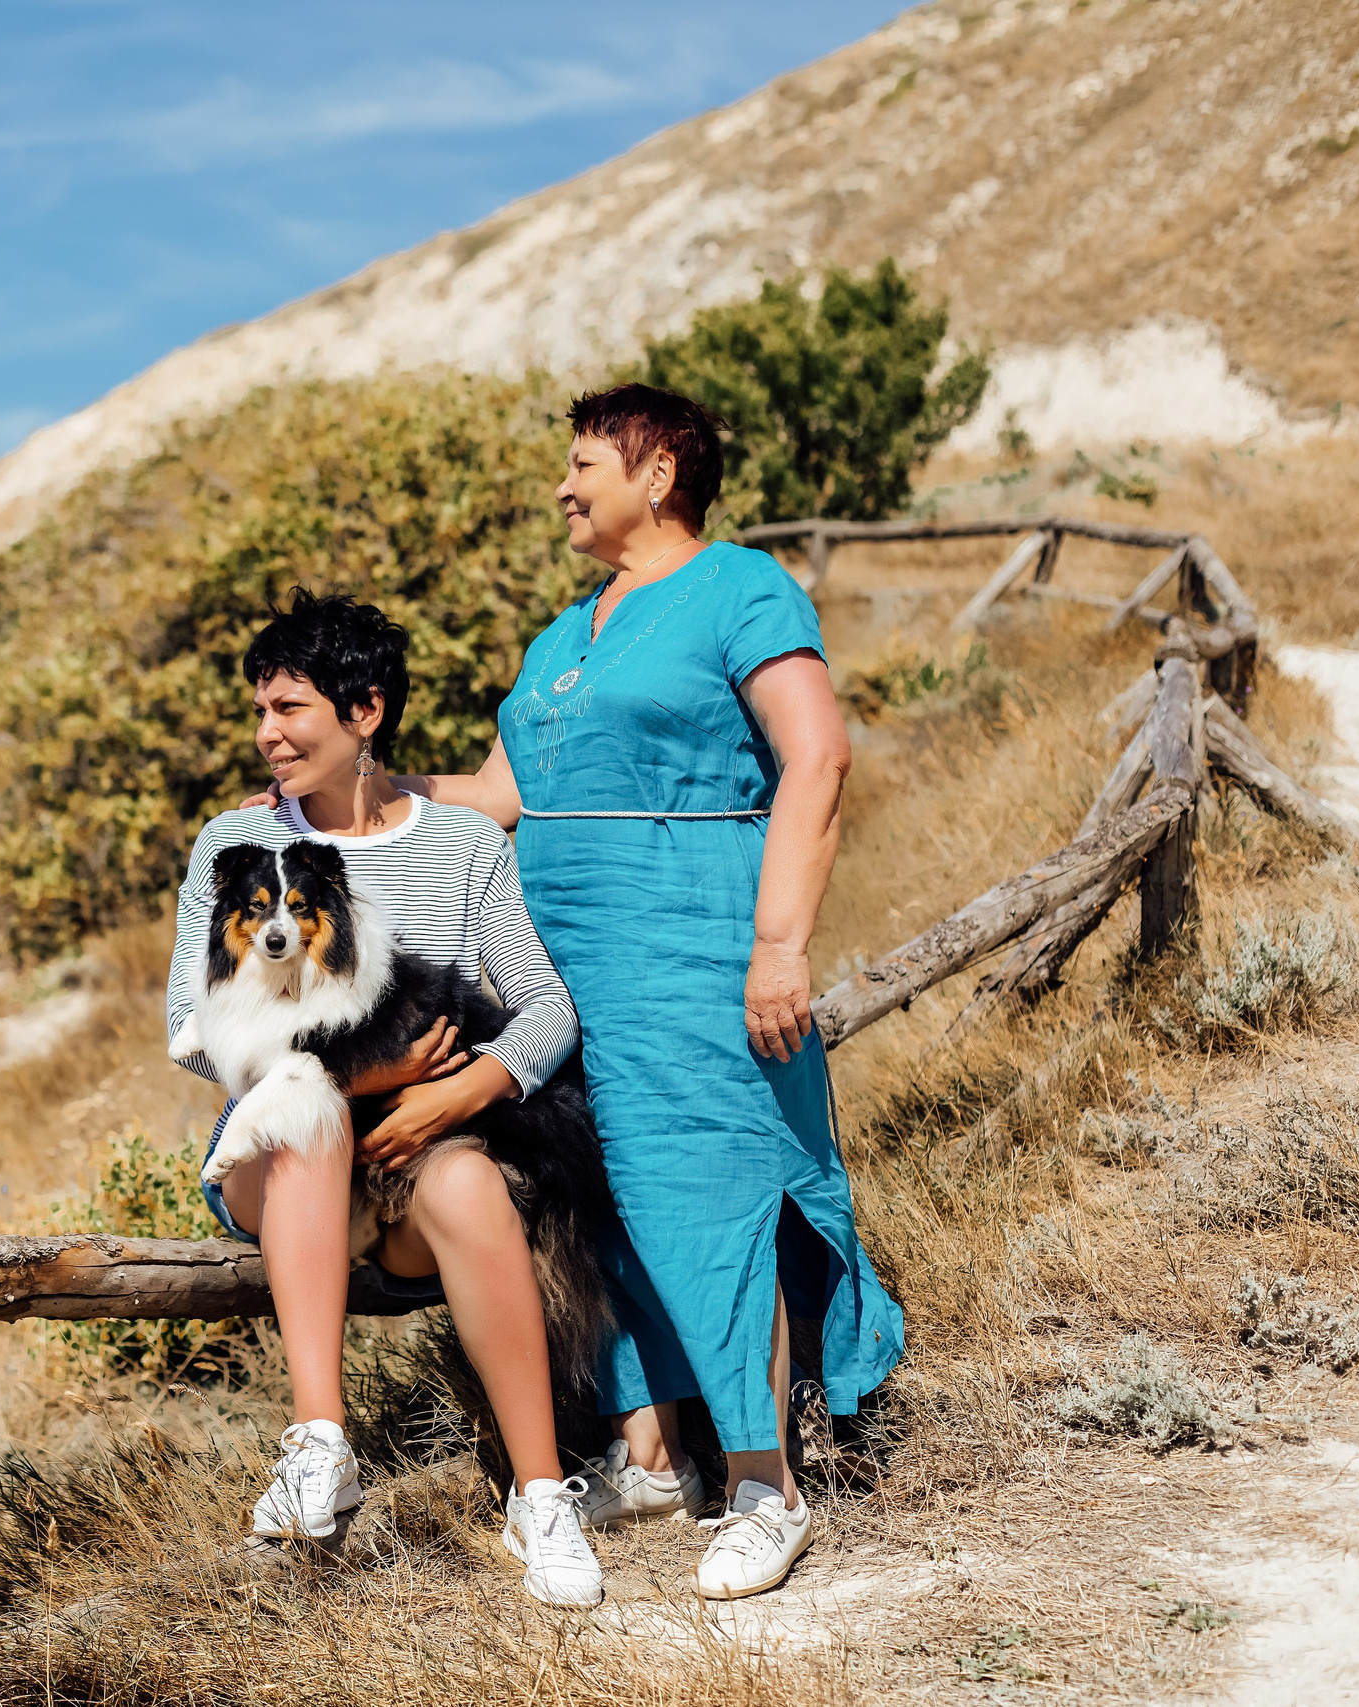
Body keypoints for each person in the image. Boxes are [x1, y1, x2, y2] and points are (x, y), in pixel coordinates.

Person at [399, 383, 905, 1601]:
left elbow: (816, 755)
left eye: (583, 463)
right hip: (562, 967)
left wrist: (778, 943)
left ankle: (762, 1489)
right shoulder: (561, 635)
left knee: (703, 1193)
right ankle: (657, 1456)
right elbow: (501, 796)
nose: (563, 487)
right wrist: (351, 789)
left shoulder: (740, 589)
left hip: (689, 947)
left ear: (659, 471)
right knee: (610, 1197)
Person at [167, 592, 607, 1607]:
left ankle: (541, 1498)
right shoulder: (234, 850)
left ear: (364, 711)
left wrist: (458, 1093)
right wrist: (370, 1080)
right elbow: (189, 1031)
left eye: (289, 710)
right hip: (279, 1169)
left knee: (466, 1192)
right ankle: (321, 1445)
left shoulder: (460, 845)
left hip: (426, 1153)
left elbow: (543, 1006)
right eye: (261, 712)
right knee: (310, 1107)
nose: (266, 734)